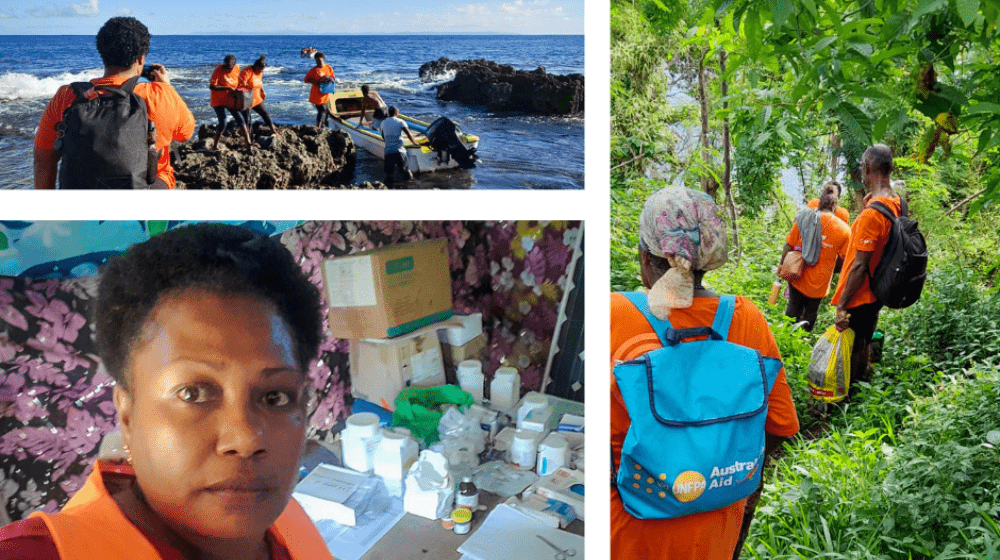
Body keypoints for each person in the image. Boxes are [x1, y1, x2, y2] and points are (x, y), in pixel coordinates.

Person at [0, 223, 334, 560]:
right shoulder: (36, 553)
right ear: (127, 415)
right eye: (194, 393)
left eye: (274, 397)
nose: (245, 438)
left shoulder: (292, 525)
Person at [611, 186, 800, 560]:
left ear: (644, 257)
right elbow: (779, 429)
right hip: (715, 529)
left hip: (631, 526)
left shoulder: (614, 315)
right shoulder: (747, 319)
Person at [33, 17, 194, 189]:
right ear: (141, 59)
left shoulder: (67, 96)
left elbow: (43, 161)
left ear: (102, 54)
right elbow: (185, 134)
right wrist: (167, 88)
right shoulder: (160, 95)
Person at [831, 143, 903, 393]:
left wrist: (841, 305)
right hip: (880, 286)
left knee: (854, 344)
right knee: (863, 338)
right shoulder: (896, 201)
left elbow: (859, 266)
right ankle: (861, 387)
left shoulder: (872, 214)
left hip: (861, 291)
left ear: (868, 167)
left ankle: (848, 395)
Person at [779, 186, 851, 331]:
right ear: (835, 206)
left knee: (793, 306)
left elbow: (788, 245)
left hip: (797, 274)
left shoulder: (803, 218)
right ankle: (804, 339)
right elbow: (846, 259)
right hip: (820, 282)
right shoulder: (844, 230)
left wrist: (781, 266)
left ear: (819, 203)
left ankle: (786, 338)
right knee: (811, 312)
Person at [210, 54, 252, 150]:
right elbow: (212, 86)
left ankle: (248, 144)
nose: (229, 69)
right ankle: (215, 146)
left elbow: (238, 79)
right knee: (223, 122)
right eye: (227, 67)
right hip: (218, 100)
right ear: (224, 64)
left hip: (231, 99)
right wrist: (228, 88)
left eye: (230, 67)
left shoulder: (237, 68)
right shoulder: (218, 70)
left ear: (234, 64)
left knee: (240, 119)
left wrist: (244, 84)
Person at [238, 55, 277, 136]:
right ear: (255, 66)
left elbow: (259, 83)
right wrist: (248, 86)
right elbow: (239, 85)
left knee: (264, 113)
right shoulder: (246, 72)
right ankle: (248, 137)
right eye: (260, 69)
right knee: (247, 119)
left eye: (262, 70)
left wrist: (262, 92)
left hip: (256, 98)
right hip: (246, 98)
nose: (261, 71)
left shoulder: (260, 72)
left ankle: (273, 130)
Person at [379, 106, 418, 183]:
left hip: (388, 152)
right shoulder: (400, 121)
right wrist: (414, 142)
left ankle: (388, 187)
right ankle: (411, 184)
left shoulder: (383, 122)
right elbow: (408, 133)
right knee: (406, 171)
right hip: (400, 151)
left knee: (389, 173)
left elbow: (383, 136)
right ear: (396, 112)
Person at [304, 52, 335, 128]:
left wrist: (328, 78)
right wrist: (318, 81)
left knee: (326, 110)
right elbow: (306, 80)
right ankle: (318, 127)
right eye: (317, 61)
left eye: (320, 61)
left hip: (326, 93)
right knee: (322, 110)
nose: (319, 63)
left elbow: (333, 77)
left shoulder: (328, 67)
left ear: (324, 60)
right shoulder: (314, 70)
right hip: (317, 95)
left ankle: (324, 125)